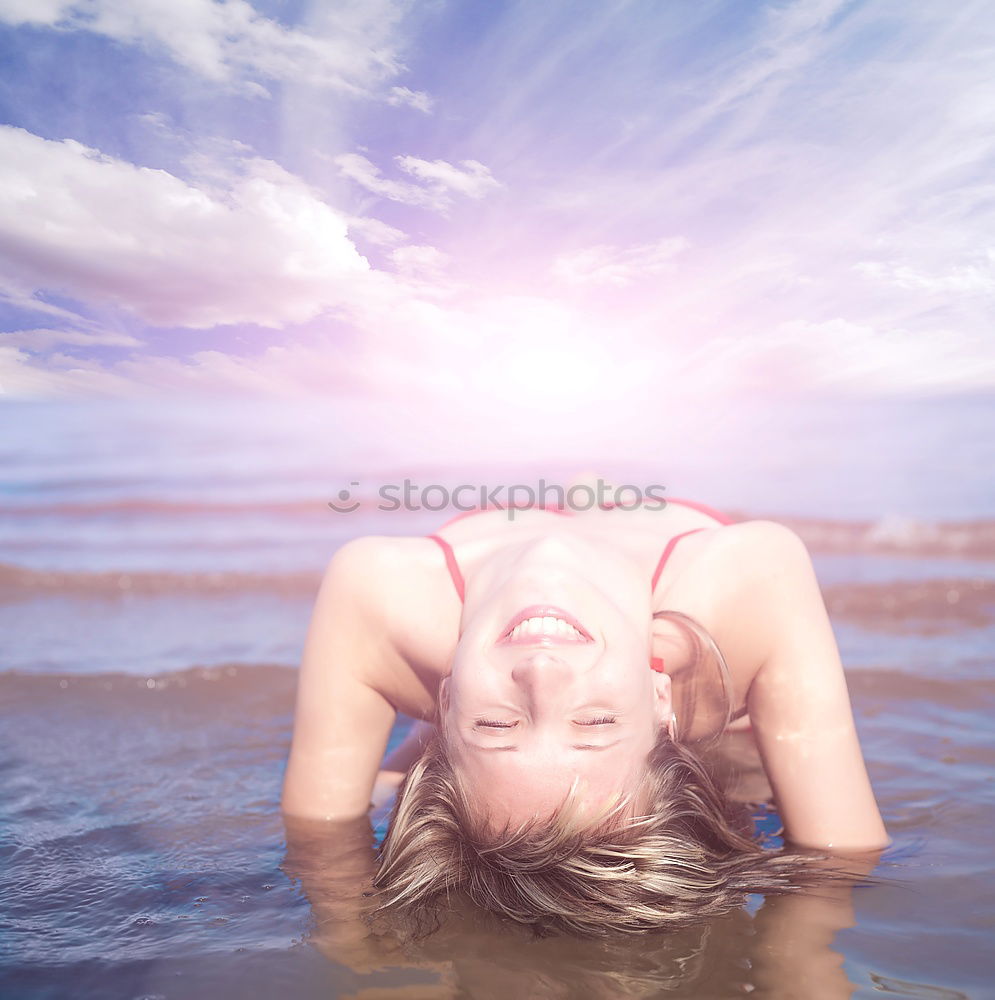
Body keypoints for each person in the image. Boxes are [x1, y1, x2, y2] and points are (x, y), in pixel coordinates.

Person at [281, 483, 889, 936]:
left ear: (443, 704)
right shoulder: (749, 572)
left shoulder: (379, 588)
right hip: (689, 685)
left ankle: (466, 746)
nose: (543, 672)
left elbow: (319, 833)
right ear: (657, 700)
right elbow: (842, 857)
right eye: (594, 721)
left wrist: (354, 951)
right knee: (741, 748)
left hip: (474, 656)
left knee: (462, 748)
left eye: (497, 724)